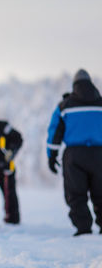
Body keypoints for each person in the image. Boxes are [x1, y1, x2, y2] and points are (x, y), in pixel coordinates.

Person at [47, 69, 102, 236]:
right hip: (100, 154)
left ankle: (83, 228)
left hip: (74, 155)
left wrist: (52, 156)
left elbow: (54, 132)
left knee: (75, 193)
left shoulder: (65, 106)